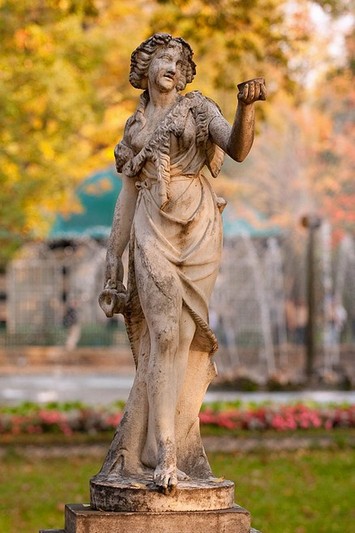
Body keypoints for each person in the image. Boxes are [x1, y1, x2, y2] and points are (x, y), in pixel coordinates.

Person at [95, 33, 266, 493]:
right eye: (163, 58)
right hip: (152, 223)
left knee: (185, 338)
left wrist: (246, 108)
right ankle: (165, 453)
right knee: (163, 333)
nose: (172, 65)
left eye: (178, 60)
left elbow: (237, 147)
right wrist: (114, 255)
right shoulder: (134, 130)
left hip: (199, 226)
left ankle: (171, 444)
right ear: (146, 69)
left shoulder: (199, 108)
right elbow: (128, 195)